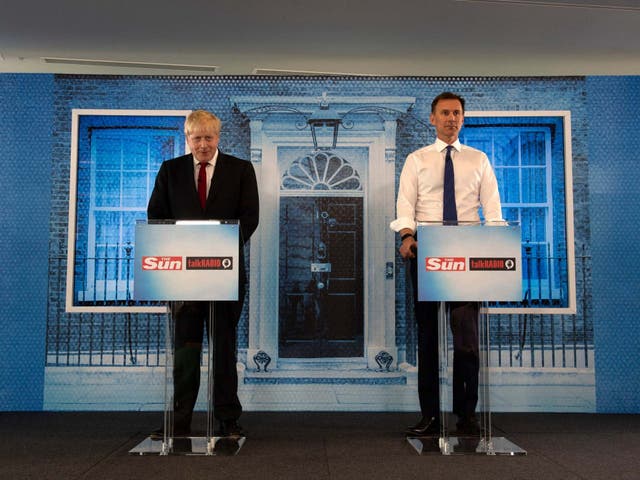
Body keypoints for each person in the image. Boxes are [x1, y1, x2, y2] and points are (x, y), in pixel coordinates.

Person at [390, 92, 503, 436]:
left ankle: (467, 416)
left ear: (463, 118)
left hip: (467, 254)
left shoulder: (479, 159)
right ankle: (431, 417)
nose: (451, 118)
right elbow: (405, 205)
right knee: (427, 339)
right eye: (444, 113)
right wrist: (407, 236)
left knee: (467, 340)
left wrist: (497, 246)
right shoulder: (417, 159)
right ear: (432, 118)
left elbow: (493, 211)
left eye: (456, 113)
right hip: (427, 251)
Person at [147, 109, 259, 438]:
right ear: (188, 139)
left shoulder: (240, 170)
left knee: (223, 350)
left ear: (218, 138)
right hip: (183, 279)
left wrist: (217, 247)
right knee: (185, 351)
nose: (203, 145)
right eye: (197, 138)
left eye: (209, 138)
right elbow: (156, 217)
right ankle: (179, 422)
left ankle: (228, 421)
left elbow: (249, 217)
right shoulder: (170, 171)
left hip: (225, 275)